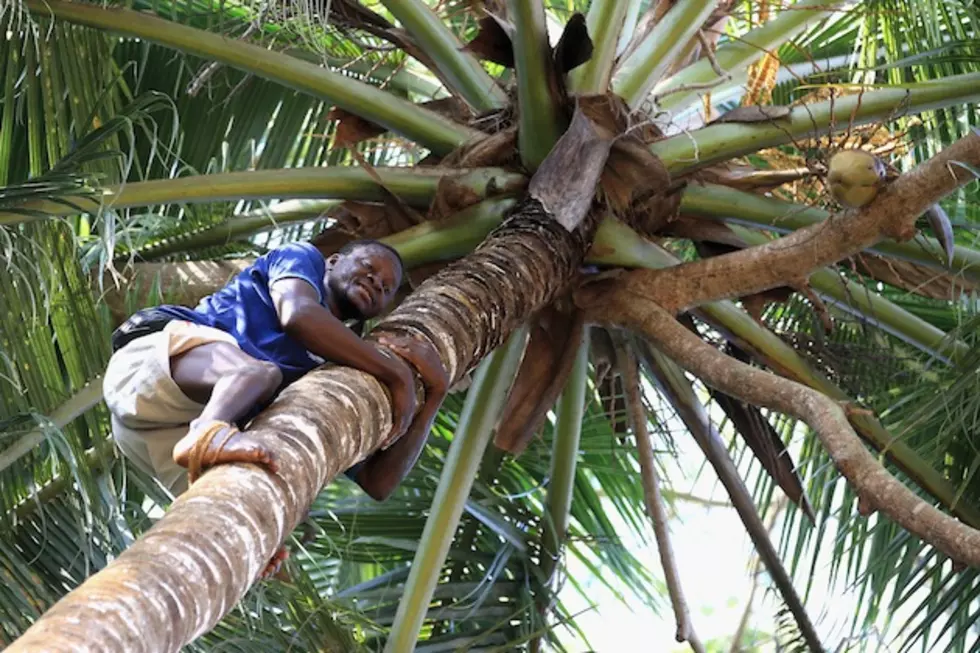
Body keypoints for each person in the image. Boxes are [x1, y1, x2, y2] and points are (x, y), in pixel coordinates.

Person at [103, 239, 442, 502]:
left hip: (164, 436)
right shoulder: (301, 258)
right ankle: (206, 430)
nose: (376, 282)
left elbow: (376, 482)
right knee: (258, 373)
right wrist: (396, 374)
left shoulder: (344, 365)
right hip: (153, 369)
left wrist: (434, 396)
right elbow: (298, 316)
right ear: (334, 261)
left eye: (385, 288)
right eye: (369, 267)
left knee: (237, 510)